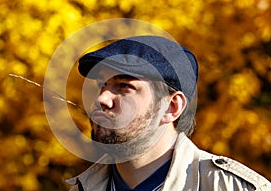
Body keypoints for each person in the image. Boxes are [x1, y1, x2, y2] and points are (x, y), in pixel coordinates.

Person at [66, 35, 271, 191]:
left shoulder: (230, 187)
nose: (102, 99)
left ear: (172, 107)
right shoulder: (81, 187)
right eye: (102, 84)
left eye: (123, 86)